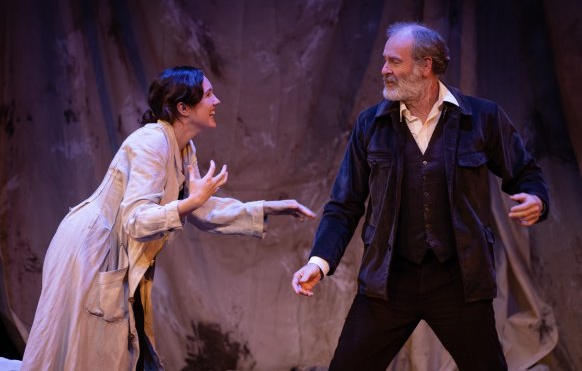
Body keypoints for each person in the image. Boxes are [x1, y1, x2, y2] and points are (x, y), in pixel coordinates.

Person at [291, 22, 549, 371]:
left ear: (426, 66)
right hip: (388, 281)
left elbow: (525, 172)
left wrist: (536, 198)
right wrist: (318, 263)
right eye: (384, 61)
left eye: (394, 62)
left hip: (459, 281)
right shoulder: (372, 125)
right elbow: (344, 204)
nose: (384, 70)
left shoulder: (481, 117)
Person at [21, 66, 315, 370]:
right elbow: (136, 220)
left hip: (116, 253)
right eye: (209, 94)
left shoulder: (184, 147)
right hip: (91, 251)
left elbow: (202, 210)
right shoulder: (152, 143)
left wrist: (269, 207)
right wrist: (192, 200)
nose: (217, 101)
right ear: (183, 107)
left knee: (113, 353)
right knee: (82, 353)